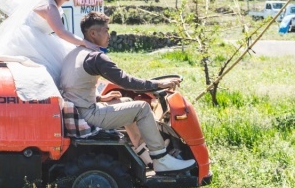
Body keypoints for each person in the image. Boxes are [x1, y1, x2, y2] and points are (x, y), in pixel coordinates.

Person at [59, 11, 196, 173]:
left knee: (126, 103)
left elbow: (73, 86)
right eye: (105, 30)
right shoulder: (96, 57)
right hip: (88, 115)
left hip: (77, 112)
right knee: (142, 108)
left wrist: (100, 97)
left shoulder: (75, 53)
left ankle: (145, 153)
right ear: (93, 33)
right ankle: (162, 159)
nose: (109, 35)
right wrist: (160, 84)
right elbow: (126, 81)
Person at [0, 0, 99, 84]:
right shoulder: (50, 8)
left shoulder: (52, 4)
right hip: (28, 40)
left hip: (39, 37)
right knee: (56, 68)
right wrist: (85, 43)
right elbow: (61, 32)